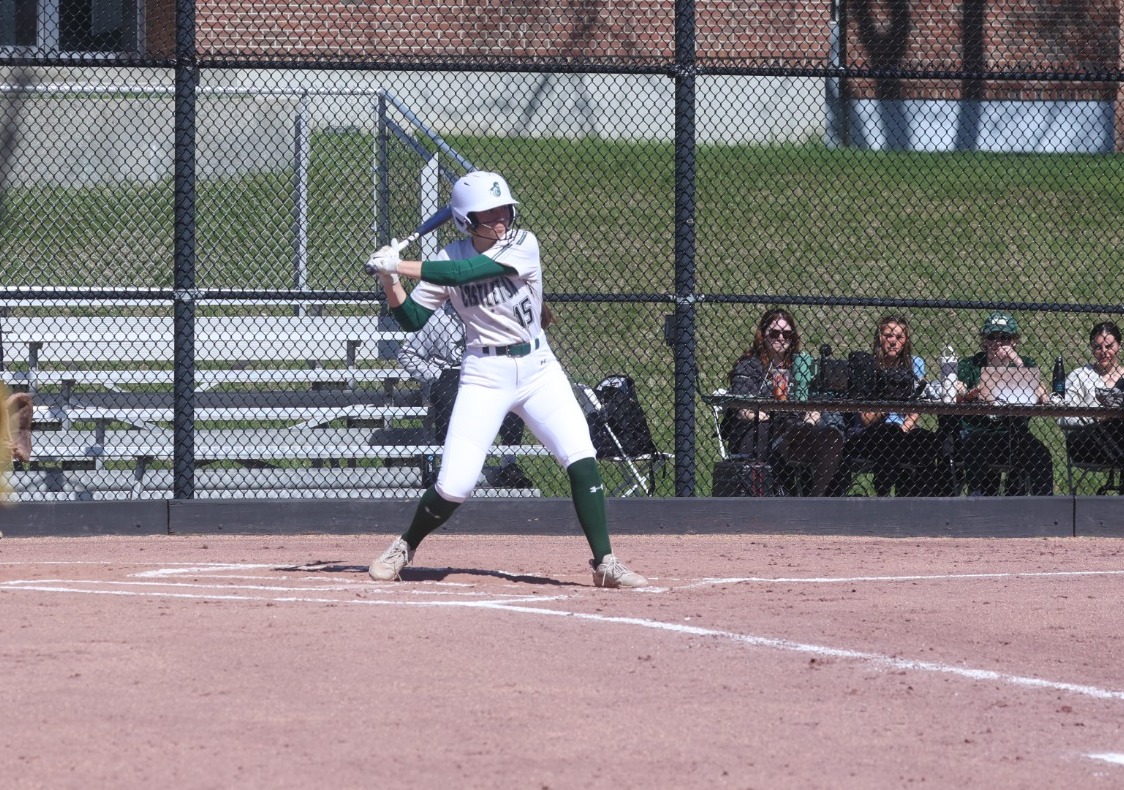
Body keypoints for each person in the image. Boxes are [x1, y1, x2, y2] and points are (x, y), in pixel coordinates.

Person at [363, 170, 647, 588]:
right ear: (465, 220)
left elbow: (466, 275)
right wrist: (390, 281)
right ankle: (405, 545)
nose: (500, 220)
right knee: (455, 486)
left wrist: (398, 264)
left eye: (504, 210)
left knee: (580, 456)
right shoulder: (444, 258)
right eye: (488, 213)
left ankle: (605, 561)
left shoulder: (523, 244)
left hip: (539, 368)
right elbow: (411, 319)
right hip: (484, 373)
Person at [396, 304, 535, 489]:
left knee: (511, 395)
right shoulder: (437, 317)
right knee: (450, 394)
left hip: (484, 372)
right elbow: (407, 354)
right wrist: (435, 374)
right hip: (448, 374)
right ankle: (445, 462)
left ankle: (509, 464)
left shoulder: (489, 315)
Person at [721, 307, 845, 496]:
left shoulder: (800, 366)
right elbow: (743, 410)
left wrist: (812, 416)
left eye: (787, 334)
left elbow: (813, 402)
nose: (781, 338)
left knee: (829, 436)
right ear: (763, 335)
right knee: (776, 431)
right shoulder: (750, 365)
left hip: (795, 429)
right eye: (775, 333)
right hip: (756, 431)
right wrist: (767, 415)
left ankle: (816, 500)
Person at [843, 314, 945, 496]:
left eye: (899, 337)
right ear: (879, 337)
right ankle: (883, 494)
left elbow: (915, 407)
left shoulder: (914, 364)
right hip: (871, 433)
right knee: (891, 433)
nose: (893, 342)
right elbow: (866, 420)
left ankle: (919, 500)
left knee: (926, 439)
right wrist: (889, 399)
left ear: (906, 341)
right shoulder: (867, 365)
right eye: (888, 335)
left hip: (903, 430)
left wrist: (905, 428)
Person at [955, 311, 1053, 496]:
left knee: (1041, 454)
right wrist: (971, 393)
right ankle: (976, 502)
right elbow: (956, 390)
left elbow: (1043, 395)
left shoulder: (1025, 364)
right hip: (978, 431)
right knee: (978, 447)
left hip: (1013, 433)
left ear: (1014, 341)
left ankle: (1045, 509)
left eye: (1005, 338)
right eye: (992, 337)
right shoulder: (971, 364)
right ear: (984, 340)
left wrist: (1016, 361)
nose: (997, 343)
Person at [1057, 320, 1124, 468]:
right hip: (1088, 441)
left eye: (1109, 346)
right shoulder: (1079, 376)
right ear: (1091, 348)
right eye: (1098, 347)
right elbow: (1063, 418)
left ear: (1119, 345)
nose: (1104, 352)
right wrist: (1096, 418)